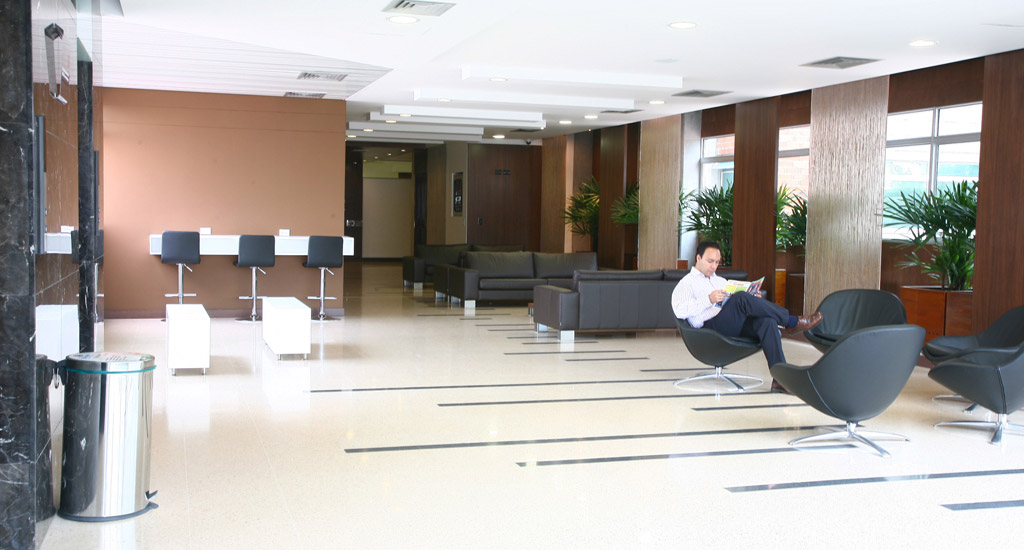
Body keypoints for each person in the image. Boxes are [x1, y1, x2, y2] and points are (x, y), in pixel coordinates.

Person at [671, 240, 822, 392]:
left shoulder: (720, 281)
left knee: (767, 322)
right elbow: (679, 311)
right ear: (698, 258)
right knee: (741, 298)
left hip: (731, 325)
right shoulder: (686, 283)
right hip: (709, 330)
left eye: (717, 262)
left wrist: (753, 298)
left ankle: (780, 380)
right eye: (710, 261)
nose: (714, 266)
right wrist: (708, 299)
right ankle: (792, 322)